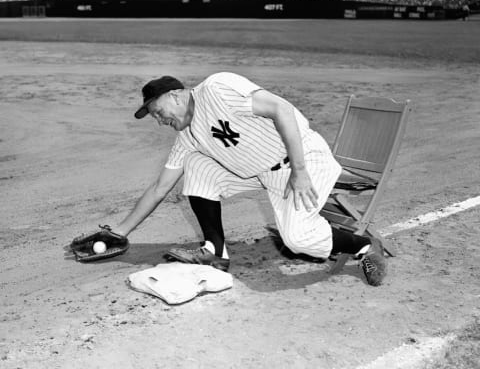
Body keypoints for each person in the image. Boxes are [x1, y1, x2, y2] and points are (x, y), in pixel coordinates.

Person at [111, 72, 386, 286]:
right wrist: (118, 232)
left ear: (175, 96)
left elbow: (282, 110)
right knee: (196, 163)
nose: (159, 121)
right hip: (265, 174)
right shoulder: (187, 137)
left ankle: (363, 246)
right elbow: (160, 188)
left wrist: (300, 172)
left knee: (297, 240)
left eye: (158, 112)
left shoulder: (216, 88)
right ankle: (215, 251)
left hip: (304, 159)